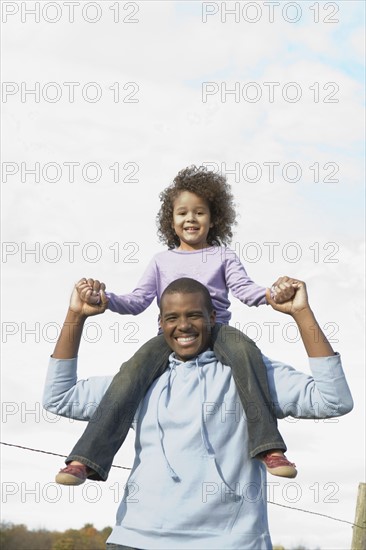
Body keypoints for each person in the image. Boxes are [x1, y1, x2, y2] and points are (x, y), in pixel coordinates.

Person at [43, 276, 353, 550]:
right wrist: (76, 316)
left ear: (213, 318)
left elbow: (333, 400)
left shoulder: (252, 376)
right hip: (136, 540)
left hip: (232, 542)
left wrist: (301, 314)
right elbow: (59, 398)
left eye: (194, 315)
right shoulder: (137, 382)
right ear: (161, 324)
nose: (184, 326)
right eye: (172, 318)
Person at [55, 165, 297, 486]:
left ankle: (269, 447)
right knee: (129, 373)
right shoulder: (161, 261)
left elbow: (246, 291)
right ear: (171, 221)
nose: (191, 219)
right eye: (182, 213)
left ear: (214, 218)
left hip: (216, 331)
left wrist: (272, 293)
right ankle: (85, 459)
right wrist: (105, 299)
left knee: (245, 351)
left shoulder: (223, 256)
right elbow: (138, 300)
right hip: (168, 337)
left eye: (199, 212)